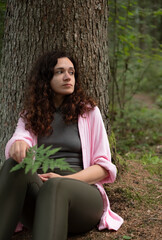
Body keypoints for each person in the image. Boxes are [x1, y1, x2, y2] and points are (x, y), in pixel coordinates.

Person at [0, 51, 123, 240]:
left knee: (56, 186)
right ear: (46, 78)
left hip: (81, 198)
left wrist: (67, 179)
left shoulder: (88, 112)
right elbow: (20, 138)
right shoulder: (31, 114)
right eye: (60, 72)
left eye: (71, 72)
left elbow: (104, 167)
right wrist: (18, 143)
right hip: (40, 195)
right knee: (12, 165)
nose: (68, 77)